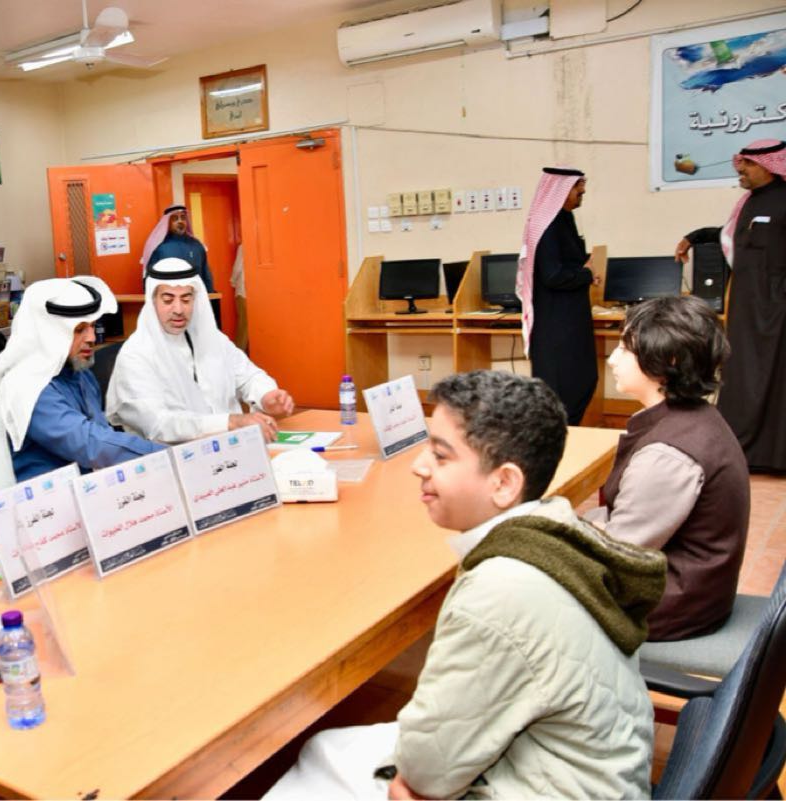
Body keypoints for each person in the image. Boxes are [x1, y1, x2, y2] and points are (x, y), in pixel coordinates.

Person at [266, 370, 665, 800]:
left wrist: (412, 784)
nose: (419, 466)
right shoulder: (555, 528)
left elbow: (424, 773)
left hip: (555, 786)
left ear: (504, 483)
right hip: (597, 771)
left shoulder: (497, 592)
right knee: (324, 748)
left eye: (440, 456)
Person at [587, 296, 748, 641]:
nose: (612, 359)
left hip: (673, 605)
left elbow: (618, 553)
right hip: (693, 588)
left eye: (624, 349)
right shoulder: (696, 416)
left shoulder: (668, 454)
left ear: (668, 360)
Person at [0, 276, 162, 489]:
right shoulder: (28, 388)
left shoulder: (79, 372)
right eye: (80, 330)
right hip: (45, 500)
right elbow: (90, 444)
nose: (92, 337)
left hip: (89, 487)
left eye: (93, 326)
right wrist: (161, 455)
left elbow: (101, 433)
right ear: (50, 334)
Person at [675, 138, 786, 472]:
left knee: (774, 378)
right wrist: (694, 237)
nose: (741, 169)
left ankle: (774, 457)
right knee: (742, 375)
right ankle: (739, 451)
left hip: (777, 308)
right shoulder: (749, 202)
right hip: (746, 305)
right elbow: (730, 234)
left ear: (770, 166)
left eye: (748, 164)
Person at [106, 257, 293, 444]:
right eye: (168, 300)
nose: (179, 309)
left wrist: (266, 395)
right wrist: (230, 422)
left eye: (186, 299)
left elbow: (248, 376)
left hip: (230, 446)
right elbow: (158, 425)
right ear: (153, 301)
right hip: (171, 454)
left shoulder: (211, 339)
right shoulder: (136, 354)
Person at [517, 166, 600, 425]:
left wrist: (586, 271)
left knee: (583, 380)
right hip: (556, 325)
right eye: (578, 190)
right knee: (562, 391)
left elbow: (568, 263)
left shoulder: (564, 219)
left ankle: (570, 435)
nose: (582, 194)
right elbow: (552, 275)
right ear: (561, 190)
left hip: (571, 319)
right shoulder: (546, 225)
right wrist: (586, 274)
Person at [140, 204, 216, 292]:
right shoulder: (158, 247)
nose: (180, 221)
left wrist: (210, 295)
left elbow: (206, 274)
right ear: (167, 223)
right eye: (175, 218)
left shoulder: (196, 245)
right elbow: (150, 279)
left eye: (183, 218)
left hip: (195, 296)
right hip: (169, 297)